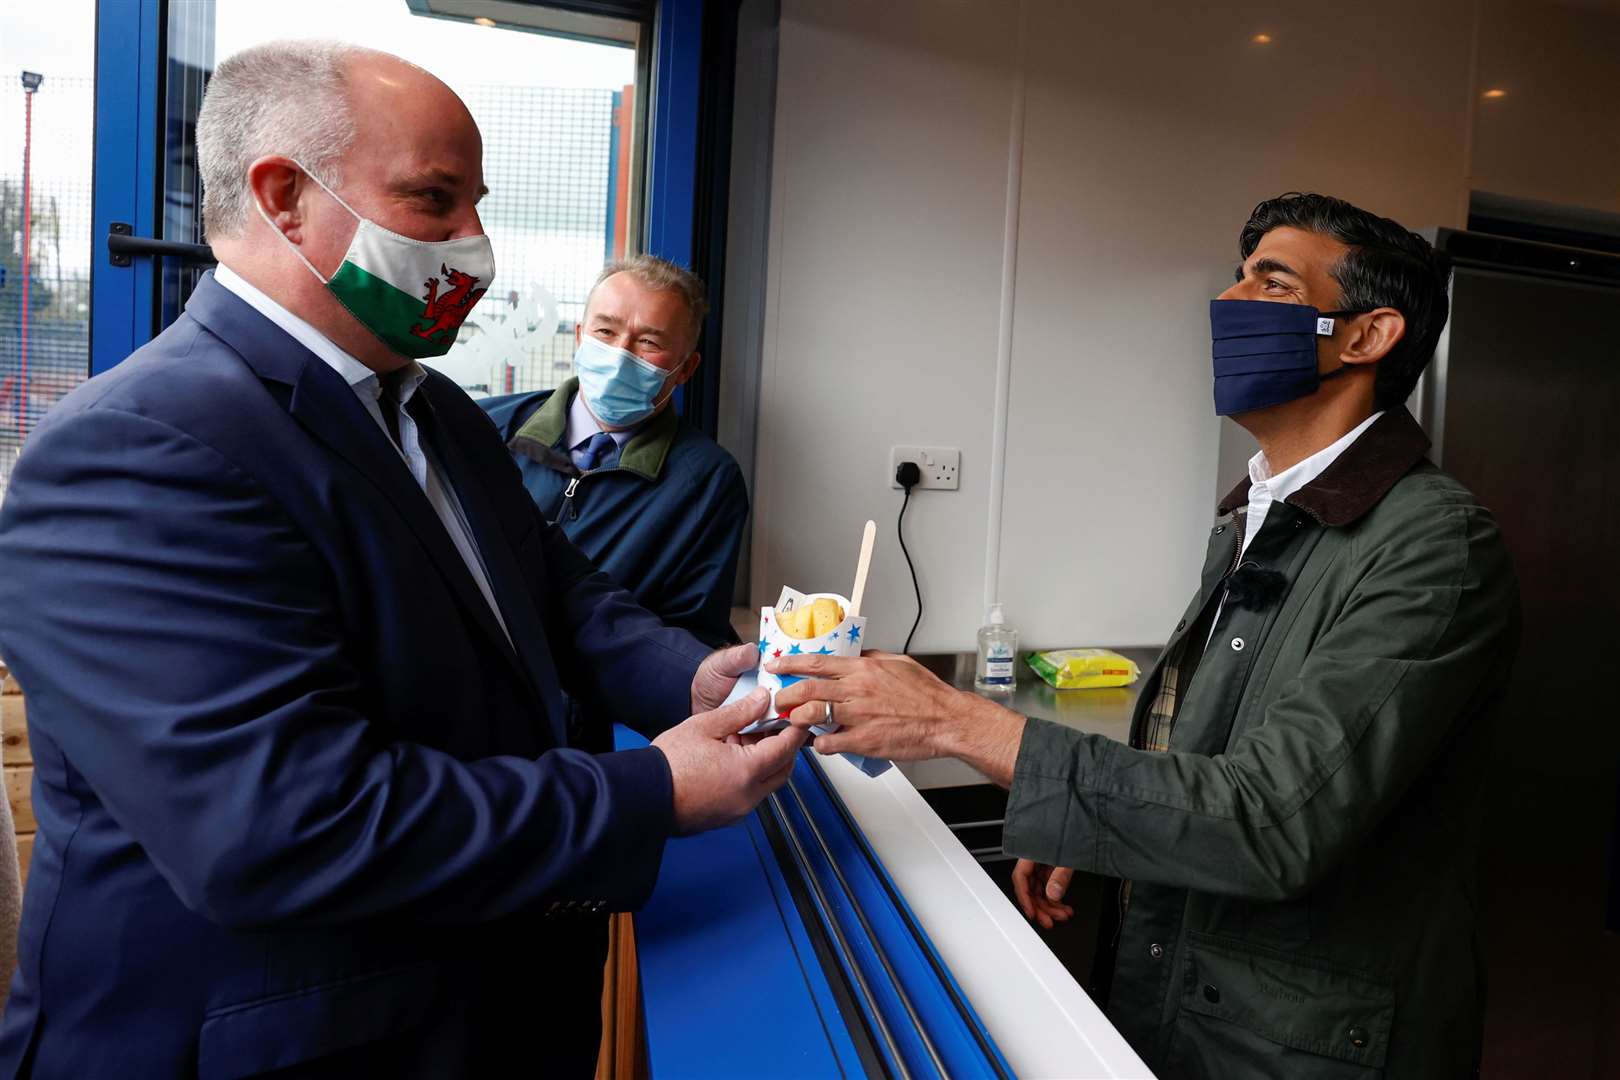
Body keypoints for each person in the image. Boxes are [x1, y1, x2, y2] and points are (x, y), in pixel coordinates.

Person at [0, 41, 799, 1079]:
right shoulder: (138, 450)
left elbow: (556, 593)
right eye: (435, 200)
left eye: (478, 206)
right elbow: (283, 826)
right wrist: (649, 789)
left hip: (481, 1010)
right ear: (285, 196)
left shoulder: (436, 409)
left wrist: (692, 676)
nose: (478, 249)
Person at [771, 193, 1520, 1078]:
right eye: (1237, 276)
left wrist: (952, 721)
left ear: (1366, 336)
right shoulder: (1263, 510)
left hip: (1313, 1046)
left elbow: (1273, 817)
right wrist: (1096, 829)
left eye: (1270, 282)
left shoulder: (1435, 543)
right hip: (1200, 1005)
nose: (1229, 302)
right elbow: (1206, 749)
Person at [481, 256, 748, 647]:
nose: (621, 354)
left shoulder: (706, 481)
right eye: (605, 331)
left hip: (595, 702)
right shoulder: (483, 427)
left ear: (686, 368)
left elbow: (686, 640)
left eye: (649, 342)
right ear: (579, 336)